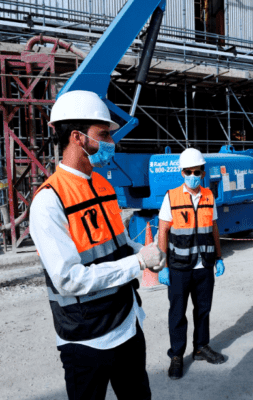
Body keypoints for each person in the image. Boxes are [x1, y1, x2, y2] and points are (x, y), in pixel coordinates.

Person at [29, 90, 164, 400]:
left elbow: (117, 243)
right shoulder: (49, 201)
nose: (111, 143)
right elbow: (69, 279)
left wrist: (144, 253)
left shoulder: (102, 184)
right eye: (103, 135)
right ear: (77, 137)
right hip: (87, 340)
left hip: (127, 323)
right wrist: (137, 262)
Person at [157, 148, 226, 380]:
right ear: (182, 173)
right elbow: (163, 231)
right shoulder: (171, 197)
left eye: (197, 172)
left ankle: (201, 347)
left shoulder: (209, 196)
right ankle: (177, 355)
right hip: (179, 267)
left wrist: (219, 257)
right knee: (177, 313)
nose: (193, 176)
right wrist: (163, 265)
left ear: (203, 173)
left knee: (203, 310)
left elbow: (214, 228)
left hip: (204, 266)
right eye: (188, 172)